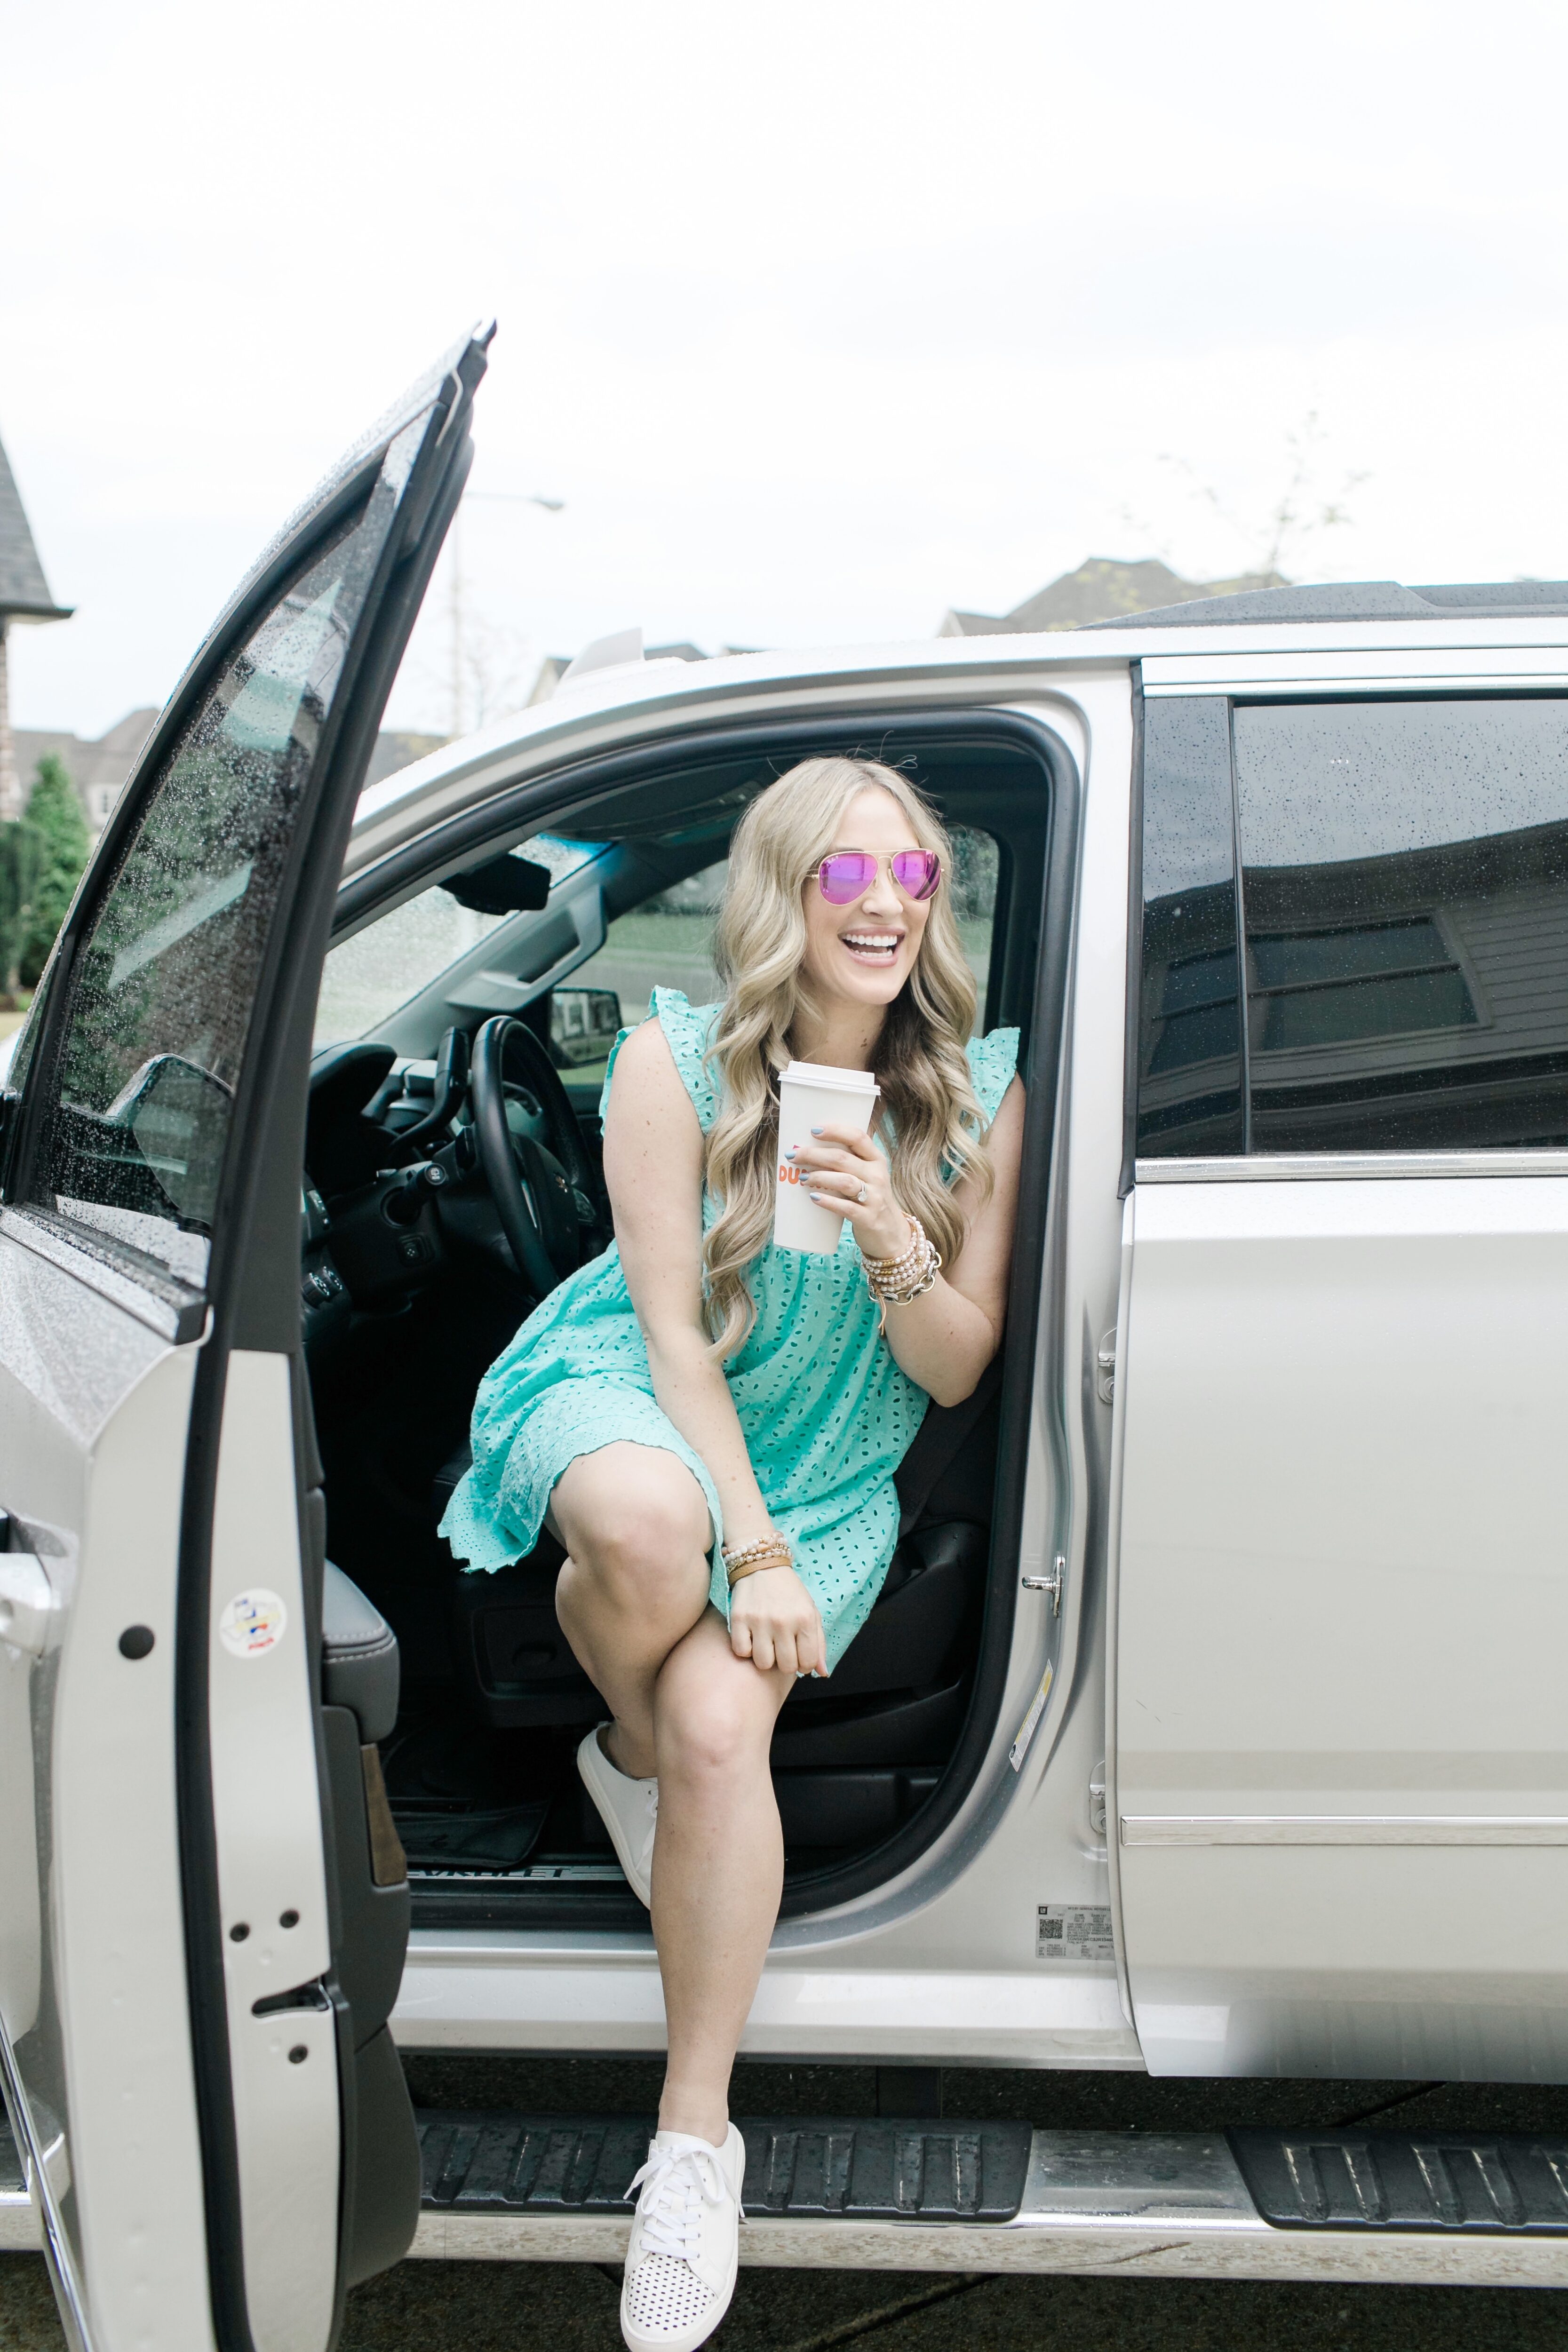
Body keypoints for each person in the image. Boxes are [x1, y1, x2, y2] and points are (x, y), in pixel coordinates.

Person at [441, 755, 1024, 2352]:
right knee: (646, 1525)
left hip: (835, 1455)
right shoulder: (667, 1067)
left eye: (916, 879)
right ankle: (630, 1744)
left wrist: (899, 1237)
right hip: (644, 1395)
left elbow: (957, 1369)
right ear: (786, 895)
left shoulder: (983, 1089)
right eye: (852, 876)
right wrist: (746, 1551)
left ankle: (692, 2147)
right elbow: (675, 1341)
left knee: (715, 1730)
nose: (891, 906)